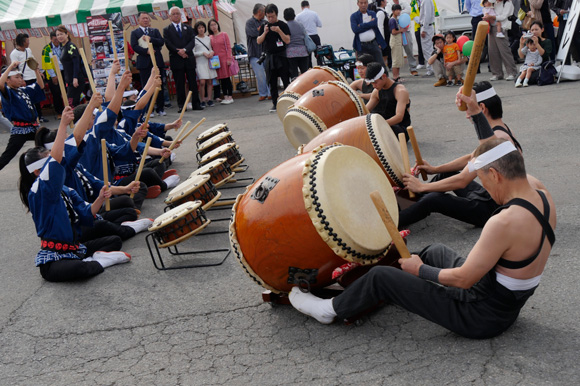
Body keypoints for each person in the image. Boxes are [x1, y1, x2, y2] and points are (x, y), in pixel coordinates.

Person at [289, 135, 556, 340]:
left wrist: (420, 271)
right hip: (502, 300)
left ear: (496, 175)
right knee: (433, 251)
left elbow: (463, 279)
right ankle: (381, 285)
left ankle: (331, 309)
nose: (483, 187)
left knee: (385, 276)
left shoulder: (504, 222)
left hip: (481, 316)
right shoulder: (542, 195)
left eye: (484, 182)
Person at [18, 106, 133, 282]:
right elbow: (58, 157)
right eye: (48, 161)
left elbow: (88, 212)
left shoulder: (64, 189)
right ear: (36, 172)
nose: (58, 161)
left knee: (114, 240)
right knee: (81, 268)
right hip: (55, 257)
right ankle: (97, 261)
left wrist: (101, 197)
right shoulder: (38, 191)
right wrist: (63, 124)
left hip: (74, 247)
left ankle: (93, 257)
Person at [399, 81, 522, 228]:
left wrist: (422, 187)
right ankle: (408, 204)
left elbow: (462, 180)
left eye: (467, 109)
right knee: (446, 175)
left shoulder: (498, 138)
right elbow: (471, 158)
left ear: (481, 107)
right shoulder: (500, 129)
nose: (466, 116)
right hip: (488, 195)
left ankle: (391, 223)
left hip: (493, 209)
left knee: (433, 199)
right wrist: (435, 169)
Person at [0, 61, 45, 171]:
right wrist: (11, 66)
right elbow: (0, 84)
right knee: (7, 156)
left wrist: (35, 70)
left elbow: (40, 86)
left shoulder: (23, 90)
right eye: (17, 77)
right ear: (8, 80)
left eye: (21, 76)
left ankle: (45, 167)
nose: (20, 79)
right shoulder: (8, 92)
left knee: (47, 140)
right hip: (20, 129)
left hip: (33, 127)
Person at [163, 6, 203, 112]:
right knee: (179, 84)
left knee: (193, 82)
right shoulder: (167, 30)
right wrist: (179, 51)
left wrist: (185, 50)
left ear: (181, 15)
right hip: (176, 59)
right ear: (170, 16)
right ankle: (181, 105)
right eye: (174, 14)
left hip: (188, 58)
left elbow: (192, 41)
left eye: (178, 13)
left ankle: (196, 103)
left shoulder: (188, 28)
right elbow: (168, 44)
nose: (176, 16)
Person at [130, 12, 167, 116]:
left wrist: (151, 39)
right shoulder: (135, 32)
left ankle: (160, 108)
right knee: (146, 85)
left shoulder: (154, 31)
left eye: (147, 18)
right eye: (143, 18)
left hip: (157, 61)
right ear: (138, 20)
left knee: (159, 84)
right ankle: (148, 109)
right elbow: (134, 46)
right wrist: (146, 51)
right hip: (144, 63)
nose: (145, 20)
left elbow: (161, 42)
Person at [257, 3, 291, 113]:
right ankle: (275, 104)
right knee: (272, 82)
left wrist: (279, 31)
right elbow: (258, 41)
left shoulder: (283, 25)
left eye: (272, 16)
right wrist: (265, 32)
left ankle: (288, 103)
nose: (271, 19)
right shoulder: (264, 26)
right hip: (270, 57)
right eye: (268, 16)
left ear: (276, 14)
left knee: (286, 80)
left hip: (281, 56)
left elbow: (287, 40)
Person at [365, 62, 411, 140]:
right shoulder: (376, 91)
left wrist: (378, 125)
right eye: (372, 83)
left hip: (399, 129)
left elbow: (399, 117)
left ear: (384, 76)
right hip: (382, 126)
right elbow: (365, 111)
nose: (373, 86)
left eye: (375, 82)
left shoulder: (400, 91)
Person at [11, 33, 48, 122]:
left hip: (33, 75)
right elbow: (15, 68)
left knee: (37, 96)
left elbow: (33, 61)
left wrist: (38, 72)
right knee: (28, 98)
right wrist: (21, 80)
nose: (29, 42)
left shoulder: (28, 50)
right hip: (25, 78)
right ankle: (32, 117)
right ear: (23, 42)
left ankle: (40, 116)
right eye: (27, 41)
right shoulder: (14, 53)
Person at [484, 0, 518, 81]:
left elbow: (503, 16)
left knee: (504, 51)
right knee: (492, 52)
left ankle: (512, 72)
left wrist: (491, 17)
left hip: (502, 28)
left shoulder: (507, 3)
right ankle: (496, 73)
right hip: (491, 27)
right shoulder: (494, 3)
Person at [350, 0, 388, 69]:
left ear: (367, 3)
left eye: (365, 3)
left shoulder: (372, 13)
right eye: (361, 3)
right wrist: (369, 24)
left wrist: (361, 25)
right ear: (358, 4)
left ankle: (384, 79)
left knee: (380, 64)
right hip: (361, 46)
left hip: (373, 43)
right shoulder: (354, 16)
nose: (363, 5)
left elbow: (374, 23)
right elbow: (355, 29)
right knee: (363, 66)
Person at [55, 26, 87, 108]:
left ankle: (78, 119)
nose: (59, 36)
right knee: (71, 103)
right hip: (69, 80)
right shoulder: (63, 47)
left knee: (72, 103)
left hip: (76, 80)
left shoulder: (71, 46)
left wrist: (75, 78)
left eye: (61, 34)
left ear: (67, 34)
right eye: (58, 35)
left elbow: (76, 63)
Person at [246, 3, 271, 101]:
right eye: (265, 11)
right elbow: (254, 33)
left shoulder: (265, 22)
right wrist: (262, 31)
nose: (266, 13)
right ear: (260, 11)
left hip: (265, 52)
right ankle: (263, 93)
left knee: (269, 72)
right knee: (260, 74)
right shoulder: (249, 23)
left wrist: (262, 31)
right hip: (254, 53)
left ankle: (270, 93)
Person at [208, 19, 235, 105]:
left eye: (215, 24)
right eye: (211, 25)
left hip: (224, 59)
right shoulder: (210, 37)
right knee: (221, 79)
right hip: (216, 60)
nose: (213, 26)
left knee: (227, 78)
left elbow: (228, 47)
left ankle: (230, 96)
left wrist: (229, 58)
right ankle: (225, 96)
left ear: (217, 25)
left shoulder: (224, 34)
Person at [193, 21, 218, 108]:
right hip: (200, 62)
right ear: (196, 29)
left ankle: (210, 99)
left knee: (210, 81)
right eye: (199, 28)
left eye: (202, 27)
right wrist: (202, 53)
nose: (201, 29)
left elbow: (211, 49)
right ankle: (202, 99)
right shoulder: (194, 39)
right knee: (202, 81)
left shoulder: (208, 38)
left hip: (209, 61)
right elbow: (193, 52)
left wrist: (211, 53)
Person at [41, 31, 64, 119]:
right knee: (56, 93)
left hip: (63, 71)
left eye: (58, 39)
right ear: (50, 39)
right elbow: (47, 63)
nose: (57, 42)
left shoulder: (63, 46)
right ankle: (59, 112)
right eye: (55, 40)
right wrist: (53, 76)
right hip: (52, 74)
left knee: (66, 91)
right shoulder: (46, 49)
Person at [284, 7, 310, 80]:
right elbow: (305, 35)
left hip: (291, 53)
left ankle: (296, 90)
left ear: (285, 17)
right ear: (294, 15)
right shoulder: (300, 25)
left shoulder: (285, 26)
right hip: (303, 52)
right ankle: (307, 88)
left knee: (294, 75)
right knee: (305, 73)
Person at [295, 0, 322, 67]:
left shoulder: (298, 16)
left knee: (308, 58)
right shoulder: (314, 13)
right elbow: (320, 24)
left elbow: (296, 27)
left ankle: (310, 72)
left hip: (306, 38)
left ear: (301, 7)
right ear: (308, 6)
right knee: (319, 55)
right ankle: (320, 69)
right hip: (315, 36)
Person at [464, 0, 486, 73]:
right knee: (476, 43)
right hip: (476, 17)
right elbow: (468, 6)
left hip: (486, 16)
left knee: (489, 43)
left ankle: (492, 67)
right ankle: (477, 67)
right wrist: (474, 12)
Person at [417, 0, 436, 76]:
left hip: (426, 27)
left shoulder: (426, 1)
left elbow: (427, 15)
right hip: (427, 26)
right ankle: (431, 68)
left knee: (427, 49)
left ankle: (431, 68)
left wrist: (424, 29)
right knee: (427, 49)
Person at [389, 4, 407, 81]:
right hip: (395, 40)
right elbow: (393, 32)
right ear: (393, 11)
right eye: (397, 10)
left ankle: (398, 76)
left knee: (399, 59)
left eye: (399, 10)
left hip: (398, 41)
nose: (398, 11)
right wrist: (401, 30)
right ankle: (395, 77)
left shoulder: (396, 19)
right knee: (395, 60)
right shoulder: (392, 20)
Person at [375, 0, 393, 69]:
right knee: (384, 54)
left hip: (387, 36)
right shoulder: (380, 12)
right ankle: (381, 68)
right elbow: (380, 26)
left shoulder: (384, 12)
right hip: (384, 37)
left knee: (387, 53)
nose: (386, 1)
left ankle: (385, 67)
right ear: (382, 2)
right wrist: (381, 40)